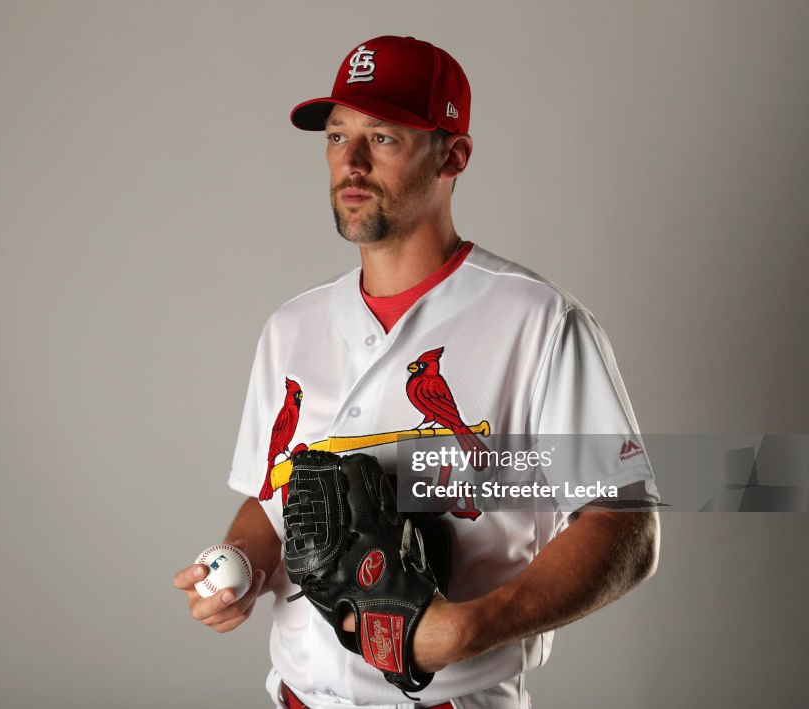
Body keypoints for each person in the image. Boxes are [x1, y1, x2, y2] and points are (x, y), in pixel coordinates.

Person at [173, 35, 660, 709]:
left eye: (383, 137)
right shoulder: (292, 326)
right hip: (296, 696)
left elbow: (624, 523)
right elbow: (272, 496)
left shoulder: (538, 321)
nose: (351, 160)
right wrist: (244, 565)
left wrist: (467, 627)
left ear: (452, 155)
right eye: (338, 135)